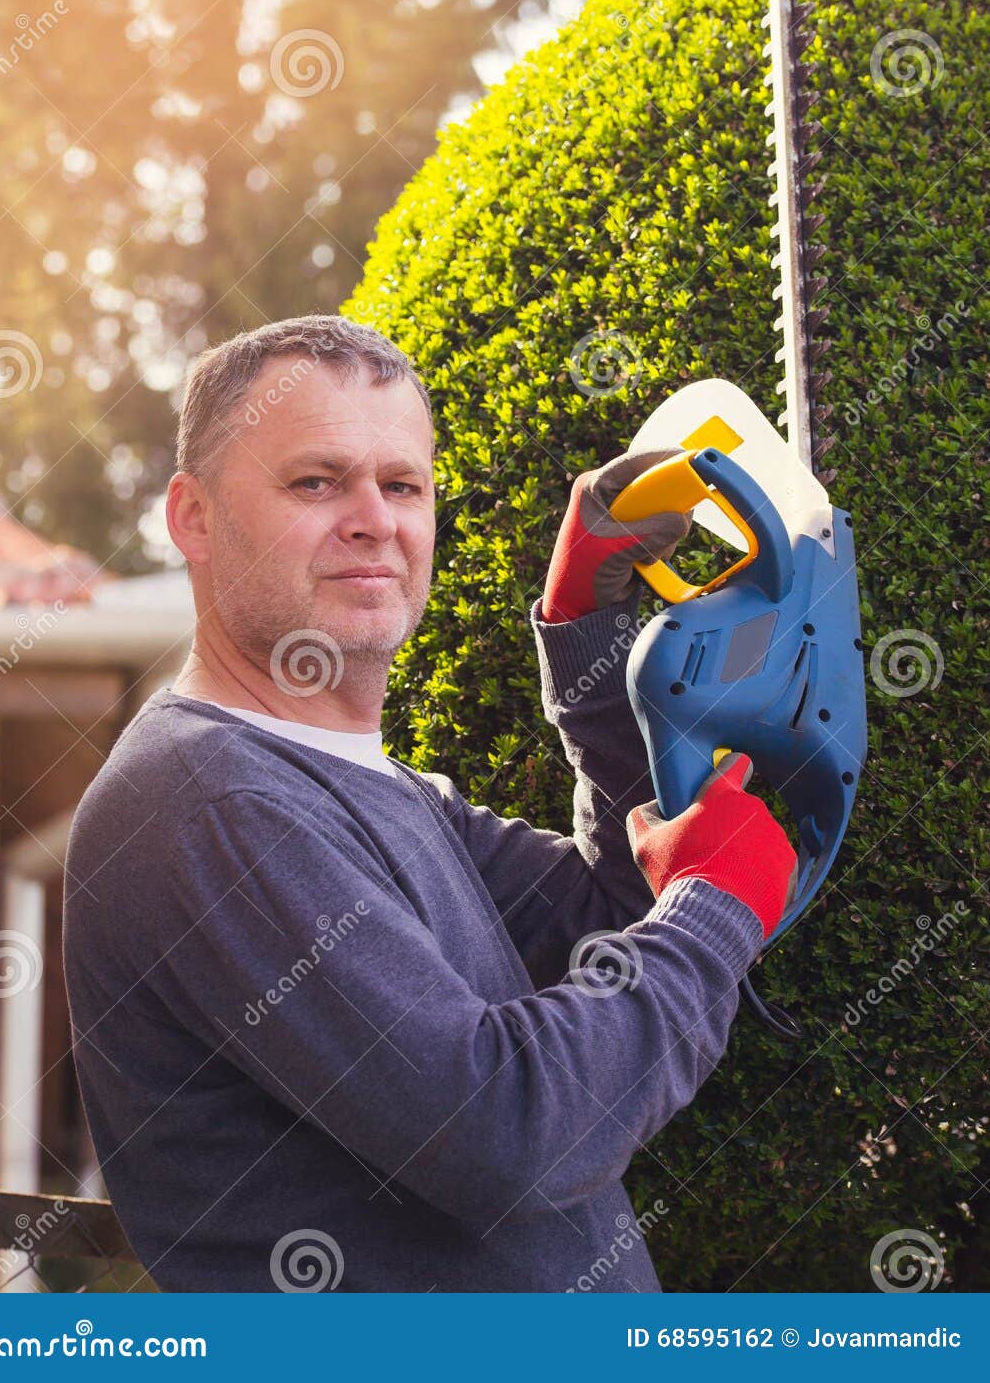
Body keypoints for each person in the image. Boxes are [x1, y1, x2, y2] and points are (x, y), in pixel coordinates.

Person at [62, 314, 796, 1293]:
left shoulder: (378, 787)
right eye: (314, 481)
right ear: (192, 516)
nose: (374, 517)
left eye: (401, 484)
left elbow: (606, 927)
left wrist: (586, 640)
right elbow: (504, 1135)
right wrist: (714, 909)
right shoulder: (208, 799)